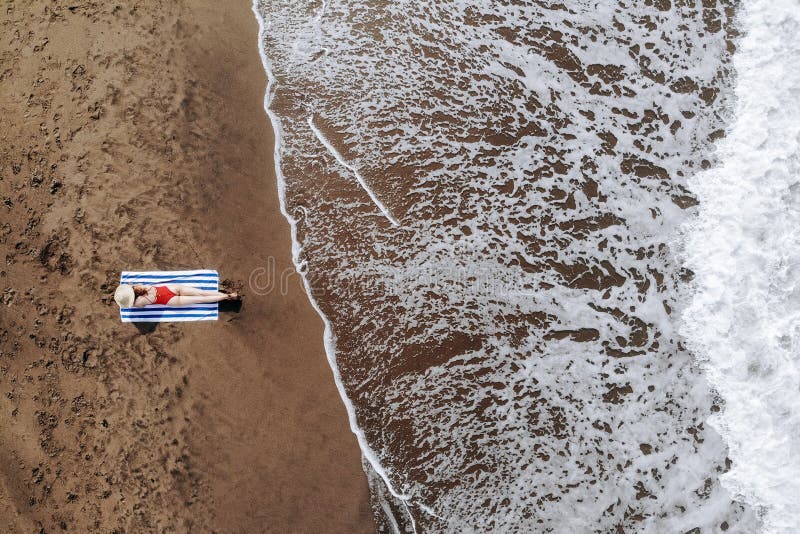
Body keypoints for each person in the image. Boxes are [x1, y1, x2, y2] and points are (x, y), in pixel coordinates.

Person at [113, 283, 238, 308]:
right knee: (202, 292)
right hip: (172, 288)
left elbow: (140, 307)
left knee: (201, 299)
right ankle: (228, 294)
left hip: (170, 300)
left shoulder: (138, 303)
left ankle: (228, 297)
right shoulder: (138, 285)